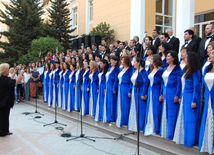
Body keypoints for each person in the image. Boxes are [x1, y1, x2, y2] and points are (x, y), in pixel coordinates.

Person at [173, 52, 201, 147]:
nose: (185, 59)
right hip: (185, 96)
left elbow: (196, 86)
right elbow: (182, 85)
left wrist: (194, 100)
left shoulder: (195, 71)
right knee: (185, 118)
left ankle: (191, 140)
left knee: (191, 119)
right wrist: (180, 96)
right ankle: (184, 138)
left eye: (187, 58)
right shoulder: (186, 70)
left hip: (191, 97)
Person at [160, 50, 182, 140]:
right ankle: (164, 131)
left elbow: (179, 83)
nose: (166, 58)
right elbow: (162, 82)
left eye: (168, 56)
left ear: (173, 58)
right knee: (165, 111)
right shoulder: (165, 68)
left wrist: (177, 95)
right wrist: (161, 93)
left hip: (173, 92)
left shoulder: (177, 69)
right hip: (165, 92)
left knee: (172, 113)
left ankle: (171, 133)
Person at [0, 63, 24, 137]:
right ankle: (2, 132)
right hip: (4, 101)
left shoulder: (3, 79)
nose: (8, 71)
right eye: (7, 70)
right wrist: (21, 73)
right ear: (4, 71)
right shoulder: (5, 80)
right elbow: (15, 82)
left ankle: (5, 130)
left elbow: (10, 79)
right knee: (3, 117)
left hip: (2, 101)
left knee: (4, 117)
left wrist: (14, 72)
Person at [144, 54, 164, 135]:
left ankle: (157, 128)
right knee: (150, 108)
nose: (150, 60)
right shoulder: (151, 69)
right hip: (150, 91)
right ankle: (150, 125)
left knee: (156, 109)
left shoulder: (161, 70)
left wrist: (161, 93)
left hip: (156, 91)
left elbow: (162, 82)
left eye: (152, 59)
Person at [127, 57, 149, 132]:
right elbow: (131, 82)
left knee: (140, 108)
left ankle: (140, 125)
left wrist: (144, 93)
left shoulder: (143, 72)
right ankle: (133, 124)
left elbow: (146, 83)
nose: (133, 64)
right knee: (134, 107)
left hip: (140, 91)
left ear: (138, 63)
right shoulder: (134, 71)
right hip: (134, 90)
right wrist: (129, 91)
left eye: (134, 62)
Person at [199, 50, 214, 154]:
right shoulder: (207, 69)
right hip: (207, 97)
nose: (209, 54)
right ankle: (207, 143)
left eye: (213, 53)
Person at [115, 56, 132, 128]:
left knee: (125, 103)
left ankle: (125, 120)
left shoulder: (130, 69)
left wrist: (129, 90)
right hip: (120, 87)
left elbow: (131, 81)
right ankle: (120, 118)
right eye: (121, 59)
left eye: (123, 60)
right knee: (120, 103)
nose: (121, 61)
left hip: (126, 87)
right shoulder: (121, 69)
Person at [103, 56, 120, 123]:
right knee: (108, 101)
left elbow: (116, 79)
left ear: (116, 61)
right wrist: (105, 88)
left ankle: (112, 116)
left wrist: (114, 88)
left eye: (112, 60)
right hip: (107, 86)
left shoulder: (116, 69)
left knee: (112, 101)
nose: (111, 62)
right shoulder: (109, 68)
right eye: (110, 60)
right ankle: (108, 115)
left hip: (112, 87)